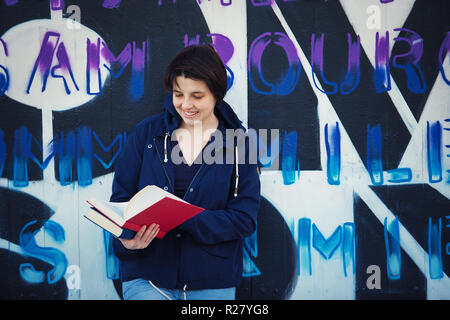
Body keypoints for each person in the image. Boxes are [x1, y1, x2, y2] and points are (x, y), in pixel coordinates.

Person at [110, 44, 261, 300]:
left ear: (216, 95)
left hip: (212, 279)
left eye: (197, 96)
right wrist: (126, 239)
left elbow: (244, 219)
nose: (186, 104)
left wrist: (182, 217)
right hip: (147, 276)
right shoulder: (147, 134)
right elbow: (120, 201)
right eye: (178, 94)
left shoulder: (239, 143)